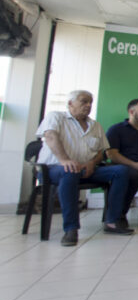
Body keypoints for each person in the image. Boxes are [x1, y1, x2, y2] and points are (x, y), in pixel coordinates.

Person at [36, 90, 132, 246]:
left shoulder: (95, 125)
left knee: (121, 171)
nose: (88, 105)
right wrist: (65, 160)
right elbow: (50, 137)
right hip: (54, 168)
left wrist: (92, 163)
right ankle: (71, 228)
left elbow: (101, 152)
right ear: (70, 103)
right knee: (69, 171)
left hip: (86, 169)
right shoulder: (56, 117)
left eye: (90, 102)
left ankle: (112, 221)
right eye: (83, 101)